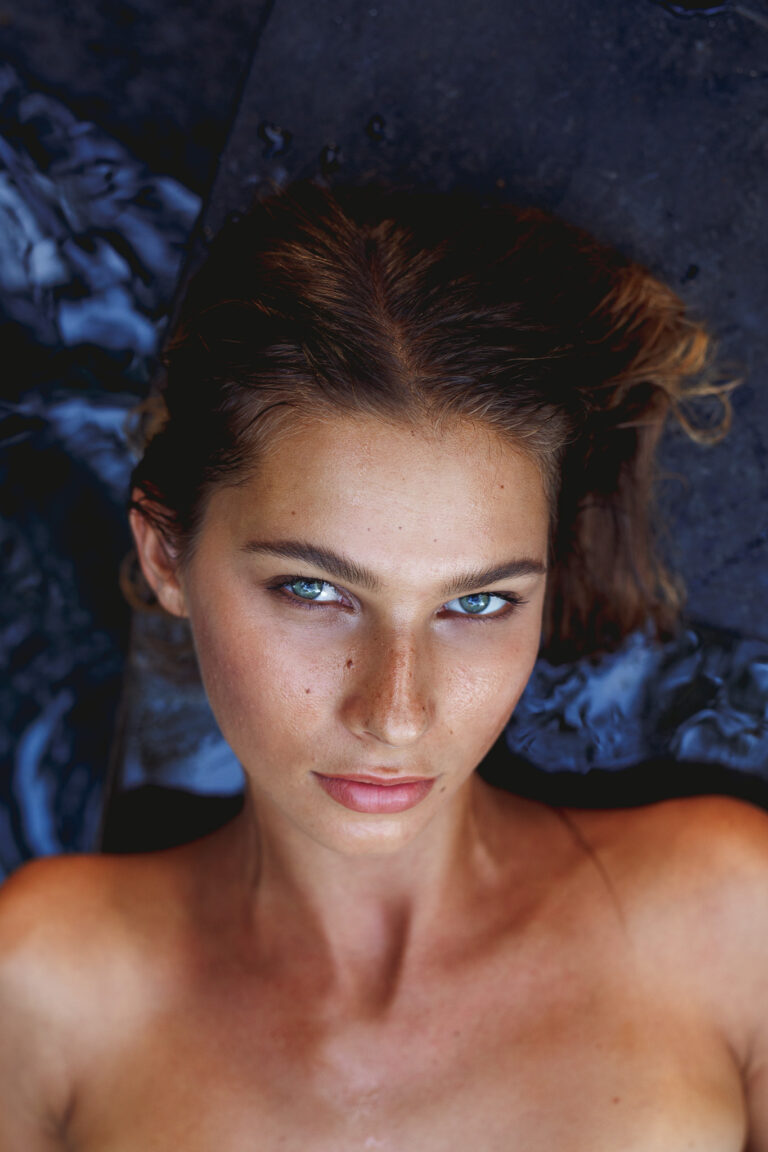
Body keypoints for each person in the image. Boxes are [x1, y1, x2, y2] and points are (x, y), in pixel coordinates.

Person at [1, 179, 766, 1151]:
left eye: (477, 603)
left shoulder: (730, 923)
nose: (396, 711)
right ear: (166, 557)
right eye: (315, 592)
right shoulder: (48, 983)